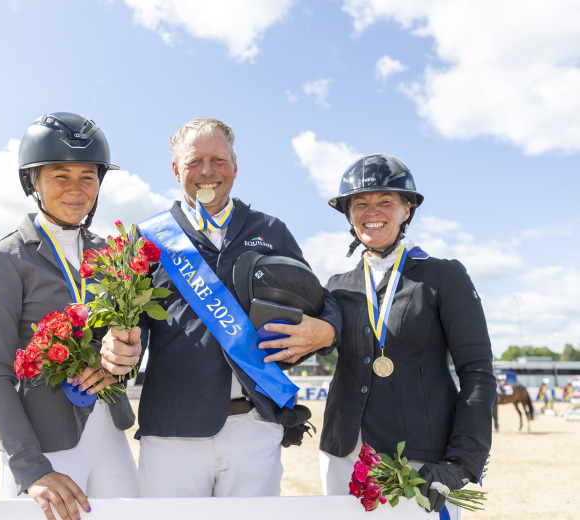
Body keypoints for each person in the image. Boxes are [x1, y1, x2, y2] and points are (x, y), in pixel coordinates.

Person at [100, 117, 341, 497]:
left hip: (255, 429)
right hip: (171, 434)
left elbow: (320, 301)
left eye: (219, 160)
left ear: (235, 166)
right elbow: (128, 327)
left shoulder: (271, 230)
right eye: (195, 162)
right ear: (176, 169)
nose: (207, 172)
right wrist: (117, 348)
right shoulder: (149, 239)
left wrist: (327, 331)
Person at [0, 112, 139, 520]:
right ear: (33, 182)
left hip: (110, 433)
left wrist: (123, 360)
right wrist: (32, 469)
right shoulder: (3, 260)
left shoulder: (113, 254)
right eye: (60, 176)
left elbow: (134, 331)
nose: (76, 190)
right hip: (43, 443)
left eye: (88, 176)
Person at [319, 154, 497, 513]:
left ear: (407, 209)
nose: (372, 212)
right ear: (349, 214)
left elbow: (477, 372)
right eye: (360, 204)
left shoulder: (444, 277)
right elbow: (308, 345)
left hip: (420, 458)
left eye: (385, 201)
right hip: (343, 454)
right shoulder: (337, 287)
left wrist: (462, 461)